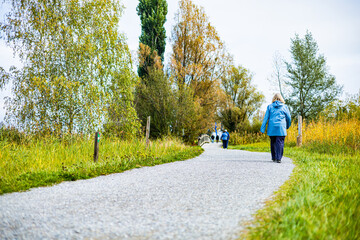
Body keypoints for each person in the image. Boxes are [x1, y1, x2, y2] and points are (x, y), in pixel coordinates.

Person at [260, 93, 291, 163]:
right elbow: (288, 118)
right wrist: (287, 125)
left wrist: (262, 128)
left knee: (273, 142)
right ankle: (279, 158)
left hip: (272, 127)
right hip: (281, 128)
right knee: (280, 142)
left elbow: (265, 118)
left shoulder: (269, 107)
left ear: (273, 99)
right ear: (281, 99)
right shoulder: (285, 107)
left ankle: (274, 157)